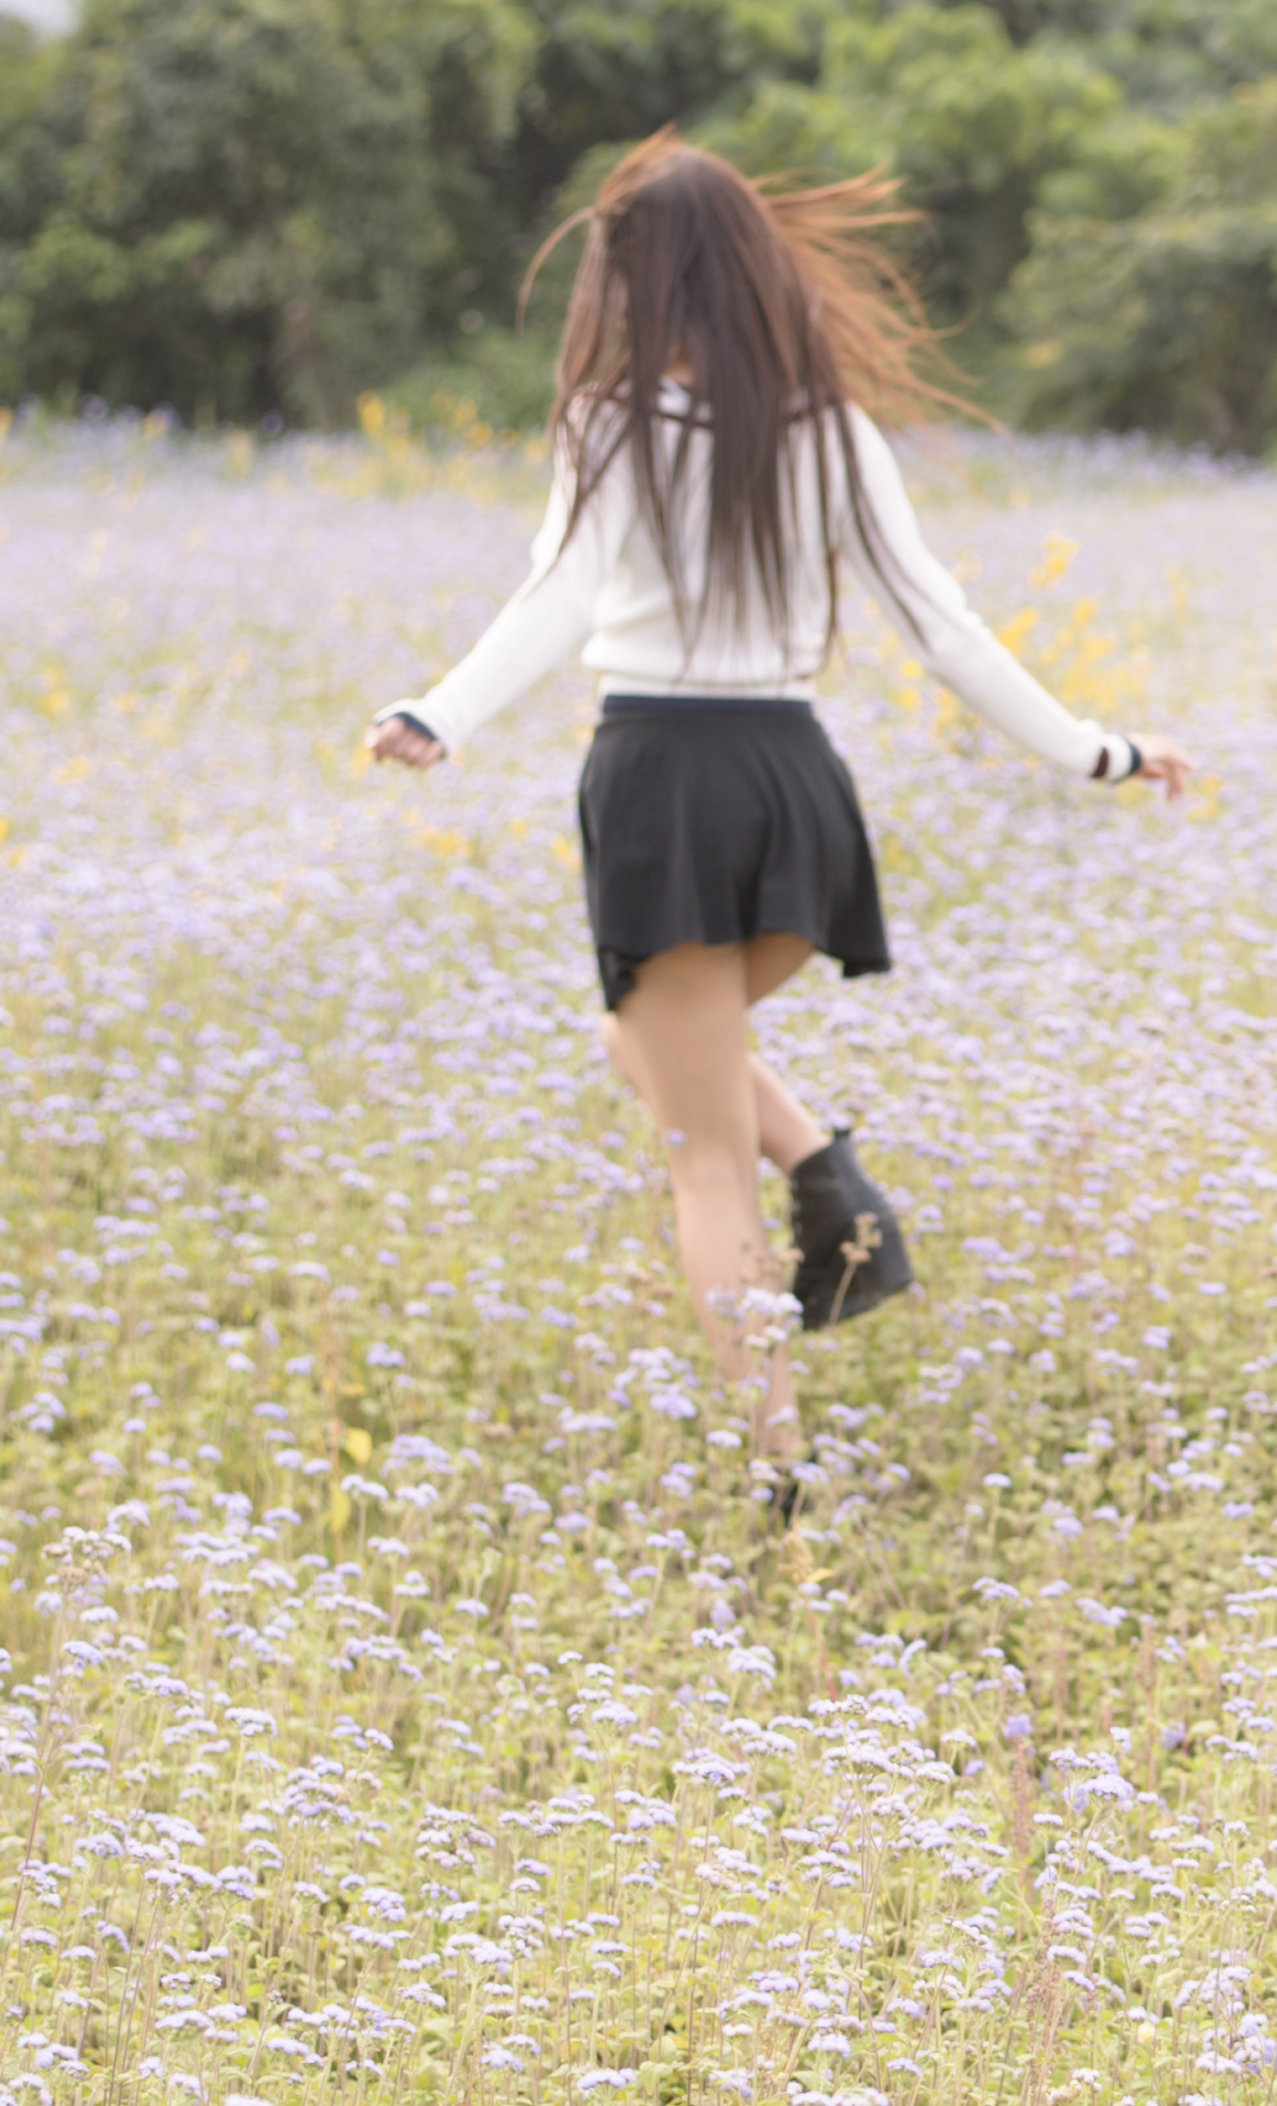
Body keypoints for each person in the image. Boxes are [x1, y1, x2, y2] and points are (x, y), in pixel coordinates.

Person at [362, 133, 1190, 1505]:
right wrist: (1100, 751)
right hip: (794, 788)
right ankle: (829, 1173)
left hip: (661, 784)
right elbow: (948, 629)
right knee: (659, 1050)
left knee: (696, 1150)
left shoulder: (611, 424)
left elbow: (556, 601)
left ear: (635, 282)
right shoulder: (833, 432)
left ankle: (779, 1468)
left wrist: (440, 713)